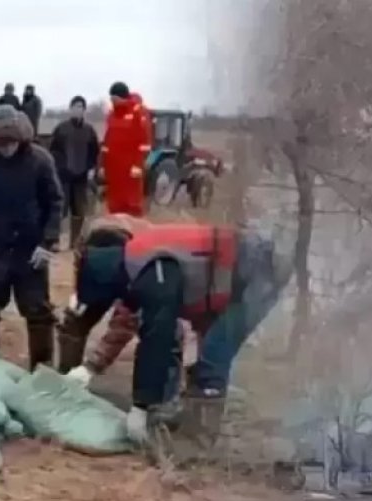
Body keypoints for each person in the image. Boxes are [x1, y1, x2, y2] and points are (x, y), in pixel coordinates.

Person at [59, 215, 291, 446]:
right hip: (227, 280)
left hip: (258, 274)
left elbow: (157, 335)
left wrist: (141, 406)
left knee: (213, 356)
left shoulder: (152, 267)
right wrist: (91, 368)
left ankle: (200, 443)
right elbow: (134, 317)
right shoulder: (134, 263)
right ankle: (188, 420)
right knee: (203, 359)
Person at [0, 105, 63, 368]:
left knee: (38, 311)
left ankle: (42, 368)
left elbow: (55, 202)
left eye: (11, 143)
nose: (6, 149)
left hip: (31, 249)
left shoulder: (40, 160)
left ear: (21, 139)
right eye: (0, 145)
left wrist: (47, 242)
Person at [48, 96, 100, 249]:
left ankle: (75, 242)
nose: (78, 110)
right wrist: (58, 167)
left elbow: (94, 152)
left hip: (81, 176)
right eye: (75, 107)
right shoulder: (61, 128)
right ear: (70, 109)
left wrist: (91, 169)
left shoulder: (89, 131)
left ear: (84, 110)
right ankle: (55, 240)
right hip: (63, 176)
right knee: (60, 209)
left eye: (81, 107)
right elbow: (53, 150)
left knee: (79, 210)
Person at [100, 82, 151, 217]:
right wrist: (103, 166)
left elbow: (144, 143)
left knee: (131, 203)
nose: (112, 102)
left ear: (122, 97)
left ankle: (134, 231)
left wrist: (137, 165)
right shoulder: (111, 115)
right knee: (115, 204)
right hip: (114, 168)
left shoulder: (137, 112)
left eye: (114, 99)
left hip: (130, 169)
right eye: (111, 99)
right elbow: (107, 142)